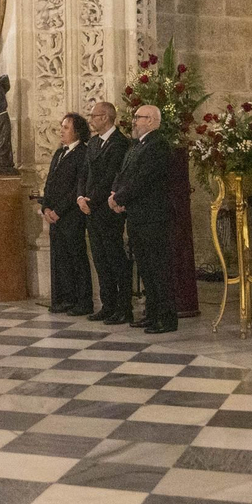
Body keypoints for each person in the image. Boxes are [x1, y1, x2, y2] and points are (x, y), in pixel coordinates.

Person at [110, 105, 176, 334]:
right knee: (146, 269)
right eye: (135, 117)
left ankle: (166, 318)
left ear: (152, 120)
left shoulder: (158, 145)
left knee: (158, 269)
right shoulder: (137, 145)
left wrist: (119, 197)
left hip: (153, 216)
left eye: (138, 117)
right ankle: (152, 313)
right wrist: (115, 194)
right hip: (137, 215)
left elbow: (144, 179)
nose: (134, 121)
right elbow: (124, 173)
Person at [78, 100, 132, 325]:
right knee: (100, 259)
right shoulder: (92, 143)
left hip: (107, 209)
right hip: (90, 208)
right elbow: (84, 173)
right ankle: (107, 304)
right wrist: (80, 196)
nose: (91, 120)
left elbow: (112, 175)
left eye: (94, 116)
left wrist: (94, 199)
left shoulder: (120, 143)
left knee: (114, 258)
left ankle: (123, 307)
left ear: (106, 117)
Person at [41, 112, 92, 316]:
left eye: (66, 127)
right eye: (61, 126)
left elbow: (77, 188)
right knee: (60, 258)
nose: (61, 130)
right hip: (53, 215)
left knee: (76, 258)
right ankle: (65, 298)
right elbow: (50, 183)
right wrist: (45, 207)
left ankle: (83, 301)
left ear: (77, 131)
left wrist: (59, 211)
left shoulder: (82, 153)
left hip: (71, 215)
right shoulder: (59, 153)